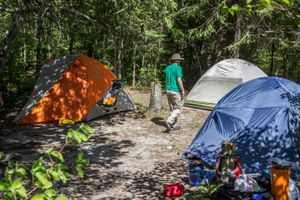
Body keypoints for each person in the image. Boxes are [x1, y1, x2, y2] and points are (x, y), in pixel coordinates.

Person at [164, 53, 185, 133]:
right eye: (179, 60)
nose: (180, 61)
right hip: (175, 90)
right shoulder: (178, 68)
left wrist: (166, 88)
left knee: (172, 108)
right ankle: (169, 121)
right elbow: (179, 79)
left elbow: (165, 79)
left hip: (168, 90)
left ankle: (171, 125)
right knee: (179, 108)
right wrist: (182, 90)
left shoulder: (167, 68)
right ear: (176, 60)